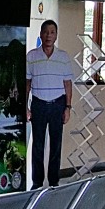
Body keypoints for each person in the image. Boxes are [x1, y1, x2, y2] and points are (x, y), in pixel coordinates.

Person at [25, 20, 75, 188]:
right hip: (38, 104)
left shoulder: (63, 57)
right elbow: (27, 84)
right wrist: (25, 106)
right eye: (45, 32)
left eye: (52, 32)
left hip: (57, 105)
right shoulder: (31, 56)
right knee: (37, 145)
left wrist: (68, 107)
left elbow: (68, 84)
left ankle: (54, 181)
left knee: (56, 145)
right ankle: (37, 183)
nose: (48, 35)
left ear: (56, 35)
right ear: (40, 34)